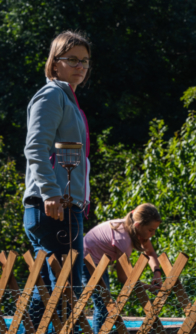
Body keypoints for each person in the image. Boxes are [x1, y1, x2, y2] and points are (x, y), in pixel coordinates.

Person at [23, 30, 92, 328]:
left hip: (62, 204)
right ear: (54, 64)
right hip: (53, 205)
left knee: (51, 290)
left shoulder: (67, 99)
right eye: (72, 59)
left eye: (85, 61)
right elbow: (35, 147)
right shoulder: (52, 95)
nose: (80, 66)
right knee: (65, 290)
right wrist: (51, 192)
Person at [83, 203, 163, 334]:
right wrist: (149, 287)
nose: (153, 234)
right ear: (138, 225)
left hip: (100, 261)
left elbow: (150, 253)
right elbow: (124, 279)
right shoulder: (124, 240)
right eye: (150, 230)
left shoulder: (133, 228)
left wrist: (157, 273)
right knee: (103, 304)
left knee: (104, 302)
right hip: (87, 261)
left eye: (154, 229)